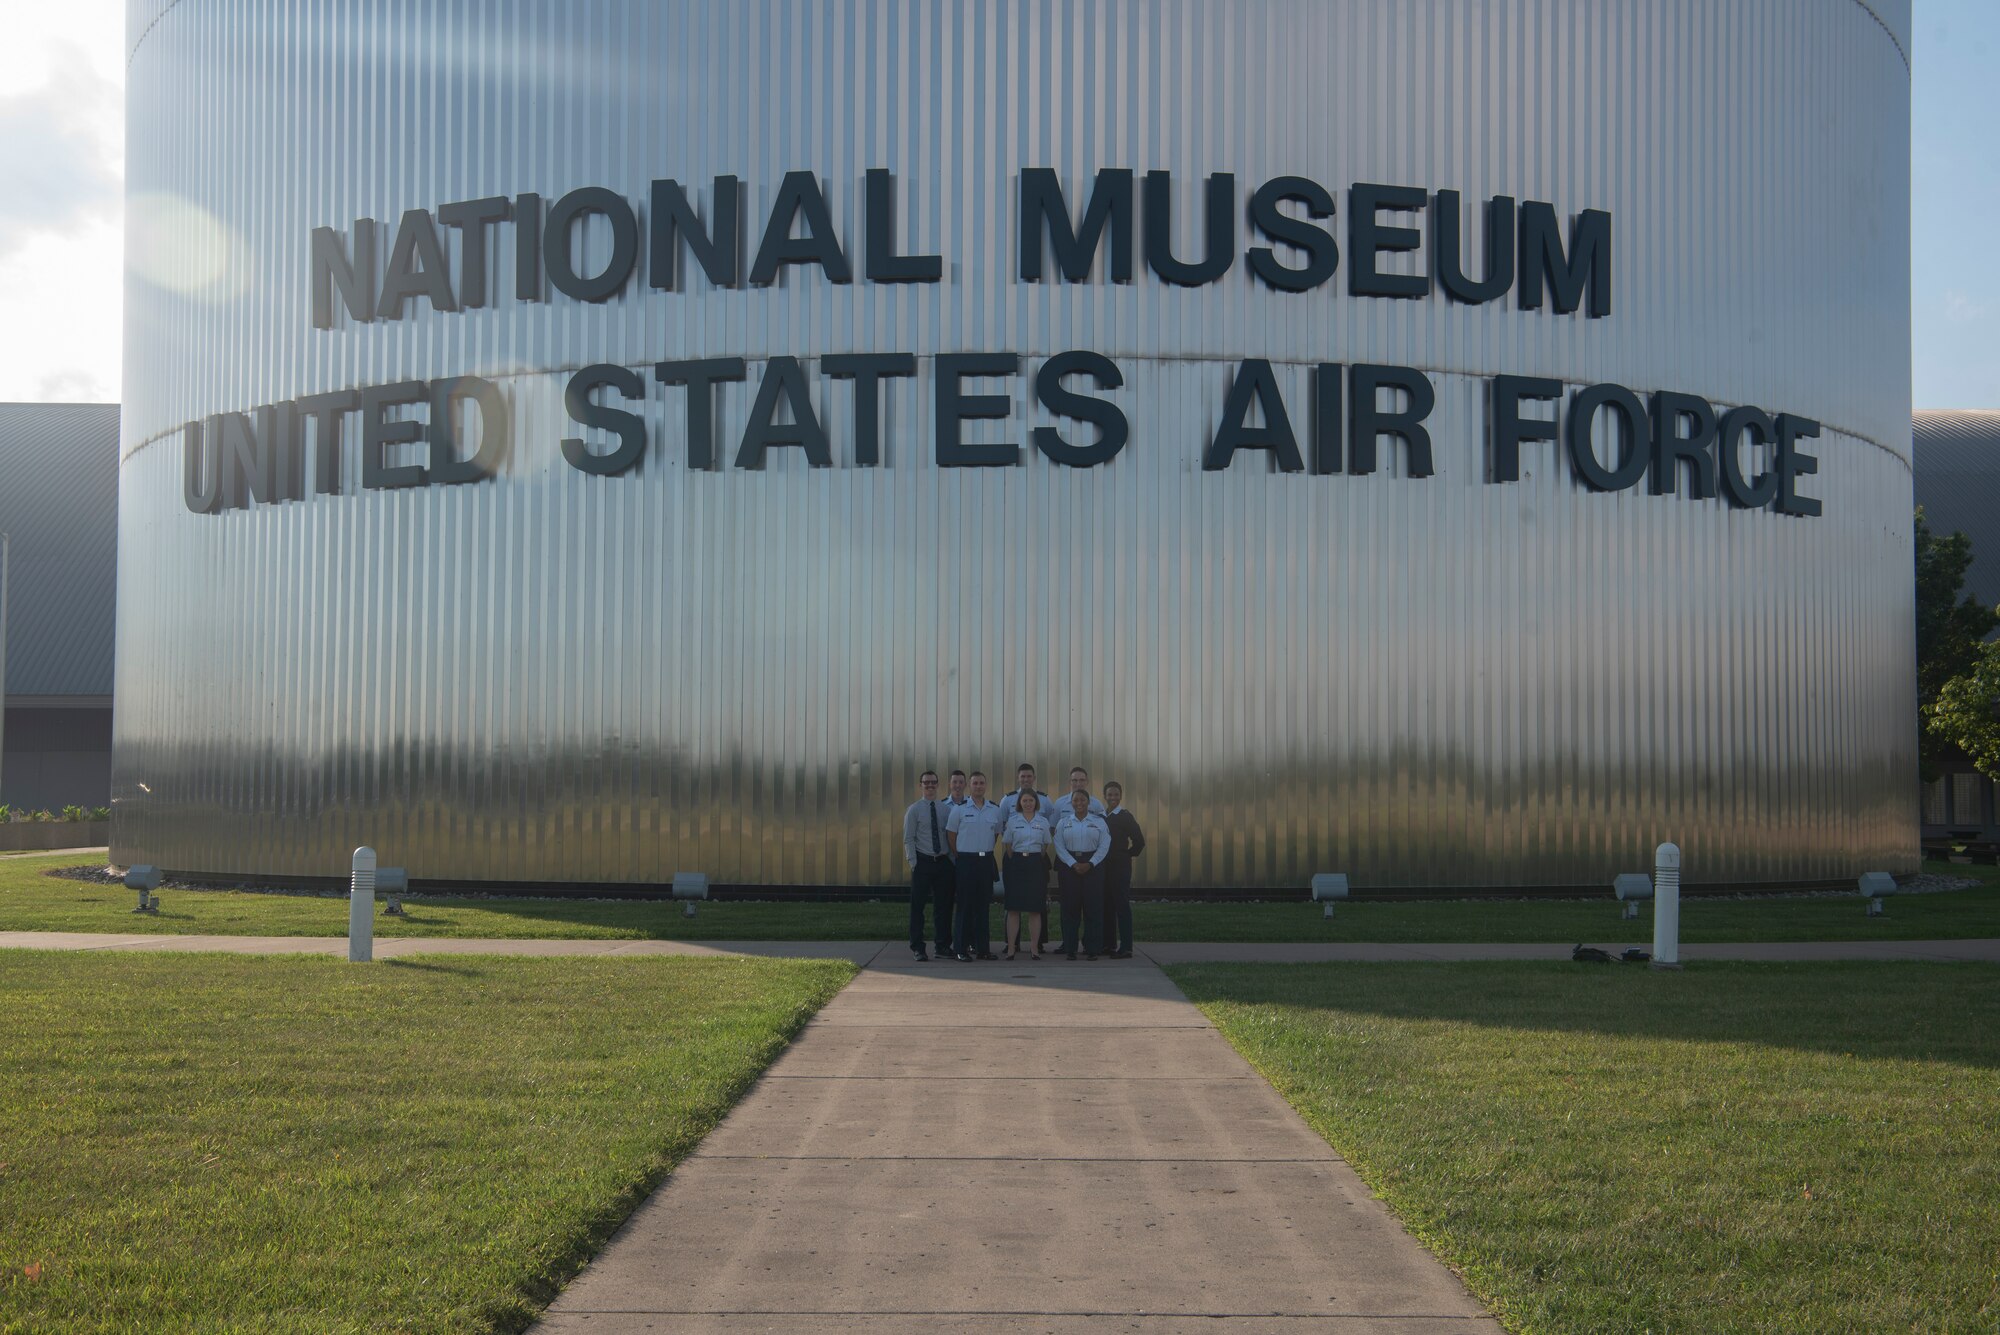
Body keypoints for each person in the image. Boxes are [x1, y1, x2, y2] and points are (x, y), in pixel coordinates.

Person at [945, 771, 1004, 961]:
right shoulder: (959, 809)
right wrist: (960, 855)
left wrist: (983, 852)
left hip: (985, 861)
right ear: (969, 787)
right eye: (975, 783)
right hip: (966, 861)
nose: (978, 786)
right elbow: (951, 835)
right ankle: (960, 949)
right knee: (964, 906)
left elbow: (995, 834)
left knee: (983, 906)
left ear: (985, 786)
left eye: (981, 783)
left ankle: (982, 949)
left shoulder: (994, 810)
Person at [1052, 788, 1112, 959]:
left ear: (1089, 802)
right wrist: (1073, 864)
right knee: (1070, 909)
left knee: (1093, 909)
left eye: (1082, 800)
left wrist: (1091, 863)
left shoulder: (1099, 822)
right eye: (1075, 800)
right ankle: (1070, 949)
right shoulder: (1064, 822)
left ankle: (1093, 949)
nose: (1079, 803)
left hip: (1093, 867)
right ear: (1071, 803)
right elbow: (1059, 845)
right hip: (1069, 867)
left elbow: (1105, 845)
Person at [903, 770, 955, 962]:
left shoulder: (945, 810)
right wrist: (913, 863)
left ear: (938, 785)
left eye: (933, 782)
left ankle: (942, 945)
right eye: (926, 783)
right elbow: (908, 838)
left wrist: (950, 859)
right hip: (923, 862)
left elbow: (950, 836)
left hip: (942, 863)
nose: (930, 786)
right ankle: (918, 947)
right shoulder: (914, 810)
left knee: (944, 907)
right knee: (918, 907)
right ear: (920, 785)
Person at [999, 789, 1052, 960]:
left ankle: (1034, 949)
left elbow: (1045, 846)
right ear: (1019, 803)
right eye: (1025, 801)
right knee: (1013, 908)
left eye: (1031, 800)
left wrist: (1034, 859)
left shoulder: (1043, 822)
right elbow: (1007, 844)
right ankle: (1011, 948)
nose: (1028, 803)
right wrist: (1016, 860)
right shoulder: (1013, 821)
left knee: (1035, 909)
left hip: (1036, 864)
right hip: (1016, 863)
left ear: (1036, 802)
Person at [1101, 780, 1146, 959]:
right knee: (1107, 905)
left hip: (1120, 867)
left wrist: (1126, 855)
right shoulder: (1101, 816)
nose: (1113, 797)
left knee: (1121, 905)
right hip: (1103, 867)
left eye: (1116, 794)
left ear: (1120, 796)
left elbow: (1139, 841)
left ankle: (1126, 947)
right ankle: (1109, 944)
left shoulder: (1125, 816)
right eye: (1110, 794)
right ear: (1104, 796)